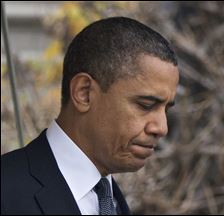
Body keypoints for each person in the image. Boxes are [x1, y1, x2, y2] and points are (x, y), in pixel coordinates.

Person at [1, 17, 179, 215]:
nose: (161, 127)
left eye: (166, 109)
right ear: (83, 93)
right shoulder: (7, 191)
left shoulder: (113, 201)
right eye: (145, 105)